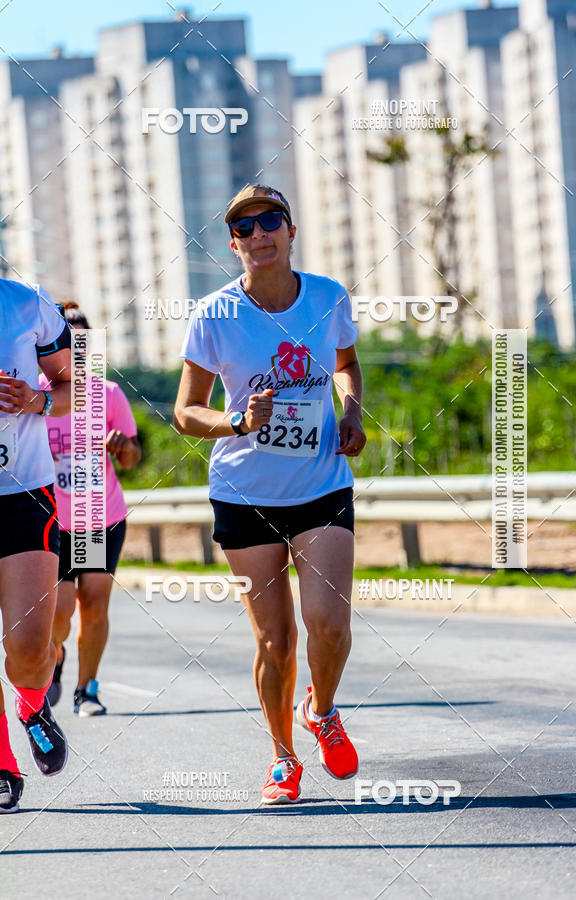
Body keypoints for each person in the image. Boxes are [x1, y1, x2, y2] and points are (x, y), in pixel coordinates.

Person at [175, 185, 366, 804]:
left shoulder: (327, 297)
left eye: (270, 221)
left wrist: (352, 412)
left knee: (328, 624)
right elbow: (185, 413)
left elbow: (346, 364)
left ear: (290, 230)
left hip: (320, 483)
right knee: (275, 641)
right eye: (244, 227)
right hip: (244, 491)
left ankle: (325, 710)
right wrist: (237, 422)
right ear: (234, 244)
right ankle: (283, 758)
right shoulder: (214, 315)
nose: (259, 233)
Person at [41, 302, 141, 717]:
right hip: (53, 520)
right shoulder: (38, 400)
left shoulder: (108, 394)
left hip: (98, 518)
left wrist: (123, 447)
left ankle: (88, 690)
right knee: (60, 612)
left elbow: (133, 457)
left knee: (95, 605)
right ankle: (57, 656)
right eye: (69, 341)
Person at [0, 280, 72, 813]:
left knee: (27, 651)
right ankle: (3, 765)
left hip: (24, 492)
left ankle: (32, 706)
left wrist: (39, 399)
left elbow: (78, 386)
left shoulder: (26, 303)